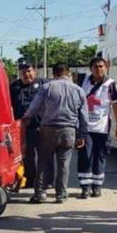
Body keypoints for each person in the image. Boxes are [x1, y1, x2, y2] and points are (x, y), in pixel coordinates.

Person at [23, 63, 88, 204]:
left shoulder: (47, 87)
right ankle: (61, 195)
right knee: (64, 164)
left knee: (43, 162)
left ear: (54, 74)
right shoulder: (78, 90)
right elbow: (84, 115)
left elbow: (34, 107)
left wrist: (26, 118)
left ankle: (40, 193)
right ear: (68, 73)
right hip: (69, 130)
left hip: (48, 130)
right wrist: (82, 135)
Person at [77, 57, 117, 199]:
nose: (99, 69)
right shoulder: (83, 82)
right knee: (84, 156)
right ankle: (85, 187)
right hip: (85, 128)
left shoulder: (110, 84)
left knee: (100, 157)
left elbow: (116, 104)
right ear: (91, 68)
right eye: (96, 66)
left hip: (102, 128)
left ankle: (97, 187)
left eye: (102, 66)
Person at [10, 60, 46, 186]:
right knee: (27, 156)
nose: (27, 74)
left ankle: (44, 181)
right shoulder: (14, 86)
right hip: (23, 128)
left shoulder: (43, 84)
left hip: (41, 126)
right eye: (23, 72)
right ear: (20, 73)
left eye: (29, 71)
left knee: (44, 155)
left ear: (34, 71)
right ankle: (30, 180)